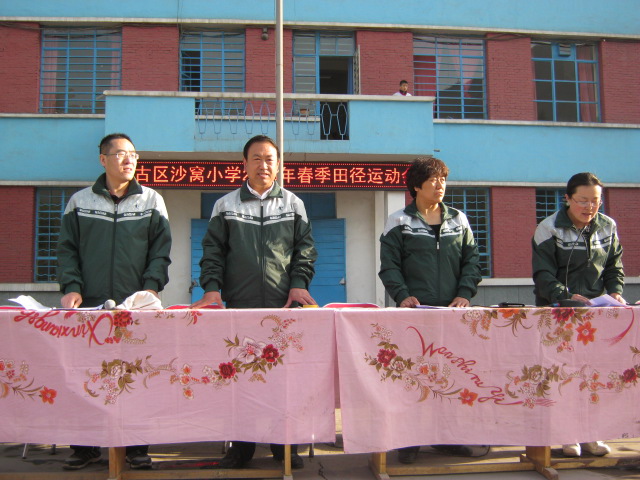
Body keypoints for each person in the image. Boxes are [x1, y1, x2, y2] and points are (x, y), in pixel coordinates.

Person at [191, 134, 317, 470]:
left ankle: (283, 445)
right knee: (239, 376)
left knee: (283, 378)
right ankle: (241, 447)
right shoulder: (226, 205)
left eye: (270, 159)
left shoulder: (293, 204)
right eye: (257, 158)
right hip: (239, 305)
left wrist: (298, 285)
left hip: (283, 306)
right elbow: (213, 252)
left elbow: (305, 251)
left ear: (278, 165)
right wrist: (212, 289)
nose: (264, 165)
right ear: (244, 164)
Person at [57, 132, 172, 470]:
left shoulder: (151, 200)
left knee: (137, 374)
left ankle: (136, 447)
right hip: (89, 305)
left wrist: (151, 289)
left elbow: (160, 252)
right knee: (86, 374)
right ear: (103, 159)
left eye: (133, 154)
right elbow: (67, 250)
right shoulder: (79, 202)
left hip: (135, 306)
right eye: (121, 154)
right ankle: (85, 447)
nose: (129, 160)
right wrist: (71, 286)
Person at [378, 156, 486, 464]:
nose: (440, 185)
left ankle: (447, 439)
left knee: (452, 377)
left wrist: (464, 294)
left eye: (443, 180)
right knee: (414, 377)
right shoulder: (399, 221)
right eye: (433, 180)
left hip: (453, 315)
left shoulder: (459, 220)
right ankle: (409, 441)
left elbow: (472, 262)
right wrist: (402, 296)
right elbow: (389, 266)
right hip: (415, 315)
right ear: (416, 186)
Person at [532, 171, 625, 458]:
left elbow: (614, 266)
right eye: (583, 200)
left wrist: (615, 291)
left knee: (594, 376)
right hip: (558, 313)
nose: (589, 207)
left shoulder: (607, 226)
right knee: (563, 376)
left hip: (596, 315)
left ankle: (591, 434)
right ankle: (566, 435)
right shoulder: (549, 228)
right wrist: (565, 295)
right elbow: (543, 274)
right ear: (568, 199)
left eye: (595, 201)